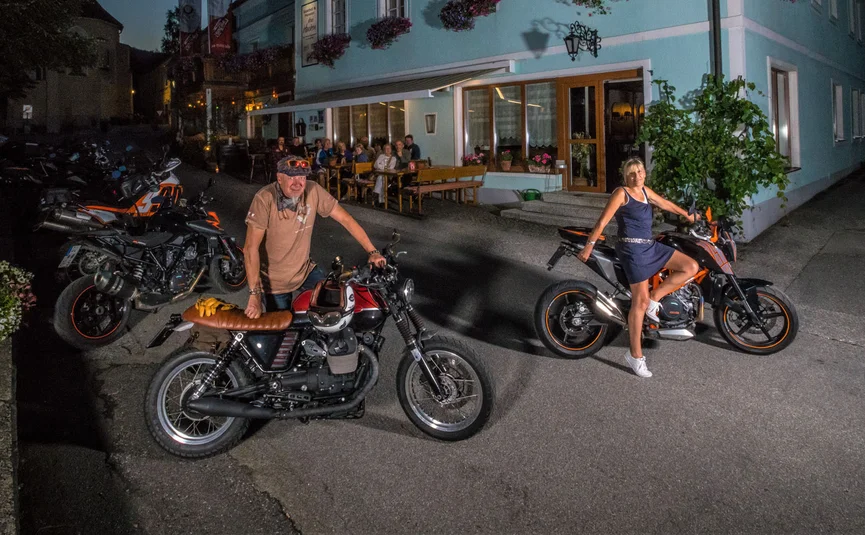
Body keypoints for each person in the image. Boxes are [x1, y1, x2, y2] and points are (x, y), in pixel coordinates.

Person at [577, 157, 700, 378]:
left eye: (640, 172)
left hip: (650, 246)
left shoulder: (644, 190)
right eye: (632, 173)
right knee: (639, 302)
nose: (637, 176)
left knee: (690, 266)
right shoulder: (621, 193)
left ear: (645, 173)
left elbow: (664, 203)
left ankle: (656, 297)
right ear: (626, 176)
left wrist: (686, 215)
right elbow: (602, 222)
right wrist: (589, 246)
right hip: (631, 250)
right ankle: (635, 356)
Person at [244, 155, 386, 317]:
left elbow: (346, 220)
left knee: (335, 309)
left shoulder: (313, 190)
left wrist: (373, 252)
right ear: (279, 178)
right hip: (274, 282)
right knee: (279, 332)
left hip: (305, 271)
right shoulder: (264, 198)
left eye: (302, 177)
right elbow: (250, 249)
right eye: (291, 177)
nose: (298, 184)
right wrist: (254, 294)